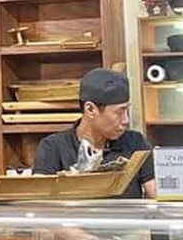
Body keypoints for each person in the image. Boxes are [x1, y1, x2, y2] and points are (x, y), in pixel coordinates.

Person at [33, 67, 154, 198]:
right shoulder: (52, 147)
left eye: (126, 110)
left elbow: (157, 192)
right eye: (119, 112)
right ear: (90, 109)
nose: (126, 120)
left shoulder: (135, 143)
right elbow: (39, 198)